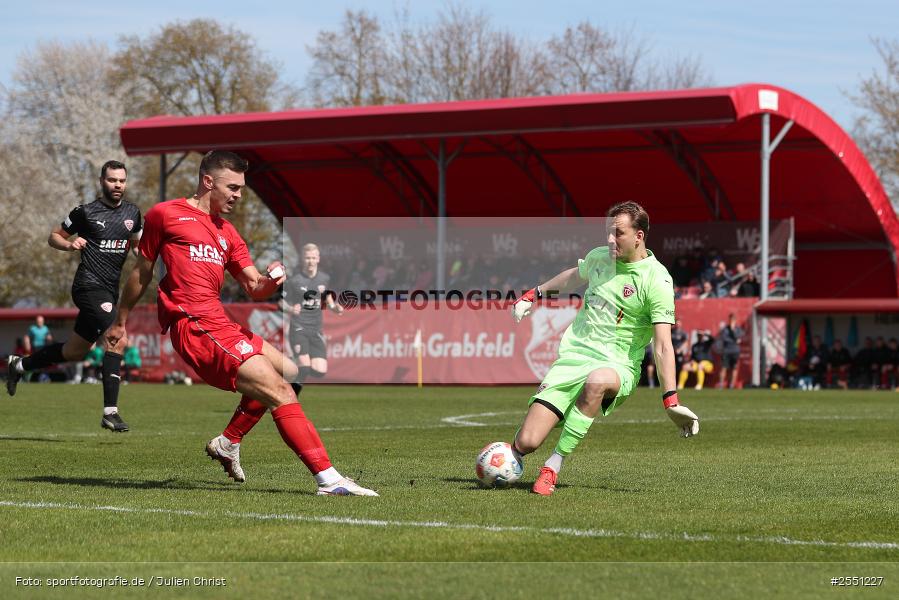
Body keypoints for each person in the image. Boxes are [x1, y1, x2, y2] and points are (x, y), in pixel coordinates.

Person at [106, 150, 376, 496]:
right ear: (208, 182)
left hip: (220, 321)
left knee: (292, 375)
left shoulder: (228, 232)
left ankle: (228, 442)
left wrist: (273, 278)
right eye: (232, 187)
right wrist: (120, 321)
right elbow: (141, 272)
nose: (237, 195)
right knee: (277, 391)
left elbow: (254, 287)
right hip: (194, 324)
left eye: (241, 188)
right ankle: (330, 480)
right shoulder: (166, 214)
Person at [509, 201, 699, 496]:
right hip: (574, 358)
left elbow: (662, 346)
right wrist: (533, 294)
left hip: (618, 365)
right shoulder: (600, 258)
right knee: (526, 443)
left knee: (597, 380)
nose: (610, 240)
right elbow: (574, 275)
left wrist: (670, 401)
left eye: (618, 233)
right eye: (608, 233)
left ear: (639, 235)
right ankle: (506, 458)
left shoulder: (657, 279)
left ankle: (553, 466)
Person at [6, 161, 142, 432]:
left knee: (75, 351)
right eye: (112, 180)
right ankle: (110, 412)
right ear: (102, 181)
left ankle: (19, 365)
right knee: (118, 338)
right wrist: (69, 244)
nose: (117, 185)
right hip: (87, 286)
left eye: (122, 181)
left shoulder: (133, 213)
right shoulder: (86, 212)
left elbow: (138, 246)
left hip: (109, 291)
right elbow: (53, 236)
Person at [279, 243, 343, 395]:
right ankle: (289, 398)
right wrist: (289, 308)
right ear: (302, 259)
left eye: (313, 258)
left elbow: (327, 298)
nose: (310, 261)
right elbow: (281, 302)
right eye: (307, 258)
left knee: (320, 371)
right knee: (305, 367)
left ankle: (288, 368)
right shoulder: (294, 281)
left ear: (318, 259)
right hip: (298, 327)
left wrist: (334, 308)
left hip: (316, 329)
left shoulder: (324, 278)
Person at [717, 313, 743, 389]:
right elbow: (725, 339)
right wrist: (734, 340)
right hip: (726, 351)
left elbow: (738, 338)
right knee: (724, 368)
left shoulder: (738, 329)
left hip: (735, 351)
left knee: (734, 368)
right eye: (731, 319)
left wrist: (733, 331)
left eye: (733, 319)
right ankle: (721, 385)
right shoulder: (725, 329)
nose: (732, 321)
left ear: (735, 320)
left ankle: (731, 385)